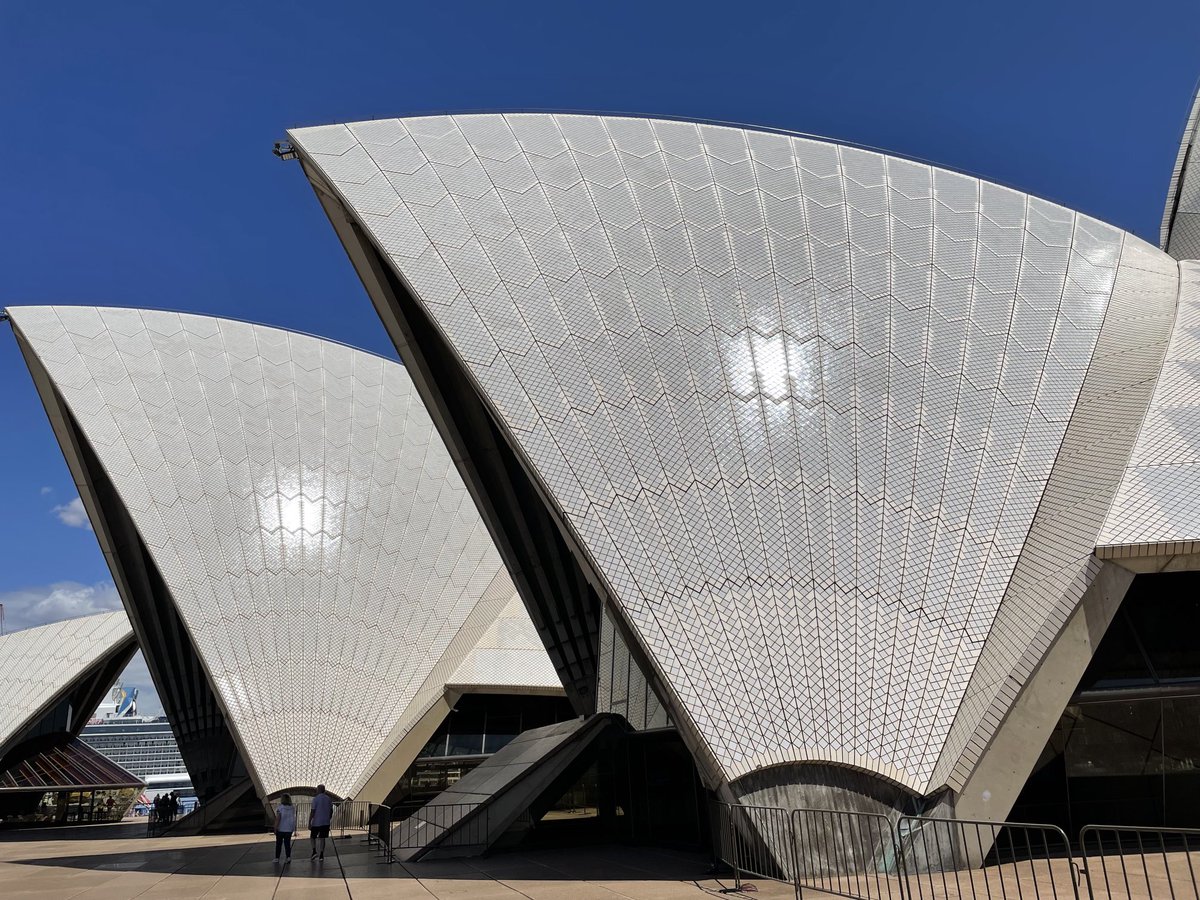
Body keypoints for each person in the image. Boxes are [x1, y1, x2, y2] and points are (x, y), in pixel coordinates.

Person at [309, 785, 333, 860]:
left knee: (313, 837)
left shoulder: (315, 799)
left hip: (316, 822)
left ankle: (314, 851)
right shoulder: (328, 799)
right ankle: (321, 855)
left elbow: (312, 811)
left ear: (318, 790)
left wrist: (309, 822)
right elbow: (331, 810)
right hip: (325, 822)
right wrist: (329, 818)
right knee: (322, 838)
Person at [274, 795, 296, 863]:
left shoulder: (280, 808)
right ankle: (288, 857)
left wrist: (275, 827)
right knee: (287, 844)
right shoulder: (292, 808)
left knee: (279, 844)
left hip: (281, 828)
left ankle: (277, 858)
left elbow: (278, 819)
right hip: (289, 829)